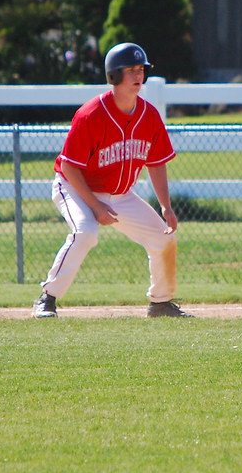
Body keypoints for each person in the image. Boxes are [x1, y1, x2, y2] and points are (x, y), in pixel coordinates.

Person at [32, 42, 190, 318]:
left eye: (141, 69)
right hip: (74, 187)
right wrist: (95, 206)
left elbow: (156, 163)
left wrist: (166, 206)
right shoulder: (91, 115)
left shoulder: (149, 115)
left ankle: (161, 303)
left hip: (119, 194)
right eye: (130, 70)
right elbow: (69, 167)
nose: (137, 75)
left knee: (164, 240)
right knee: (86, 233)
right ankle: (47, 298)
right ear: (114, 76)